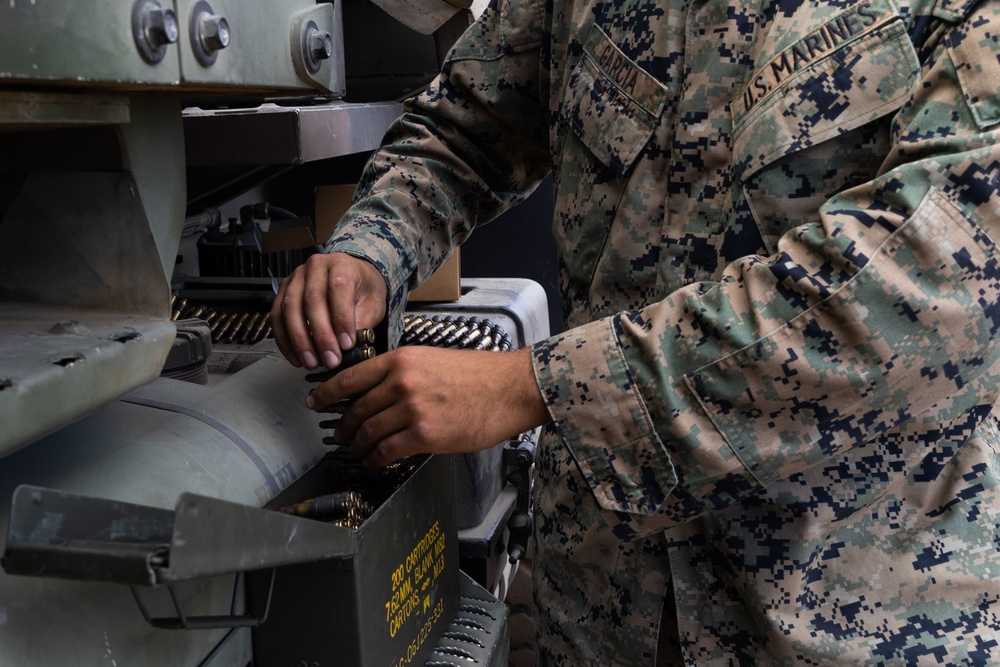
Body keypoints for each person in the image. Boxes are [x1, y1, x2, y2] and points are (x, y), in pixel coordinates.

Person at [271, 0, 1000, 662]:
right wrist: (371, 249)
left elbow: (924, 291)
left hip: (845, 614)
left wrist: (529, 386)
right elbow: (466, 129)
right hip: (603, 609)